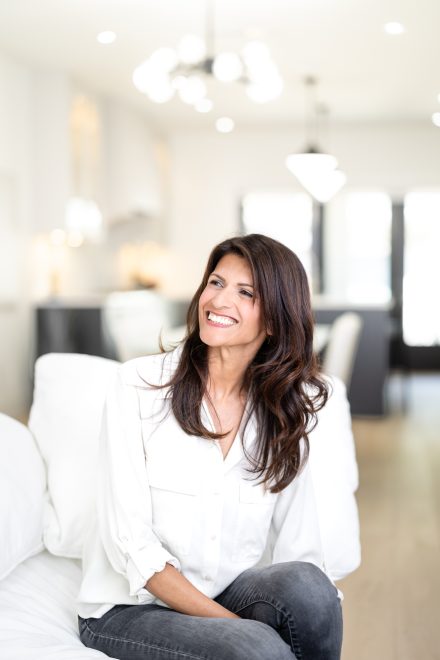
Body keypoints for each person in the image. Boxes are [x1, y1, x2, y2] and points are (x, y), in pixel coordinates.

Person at [77, 234, 359, 660]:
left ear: (275, 320)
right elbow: (132, 545)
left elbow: (300, 553)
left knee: (310, 587)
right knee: (257, 647)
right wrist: (239, 629)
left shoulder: (284, 412)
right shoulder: (137, 386)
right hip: (129, 609)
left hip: (225, 592)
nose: (219, 300)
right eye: (216, 282)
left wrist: (308, 611)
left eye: (246, 292)